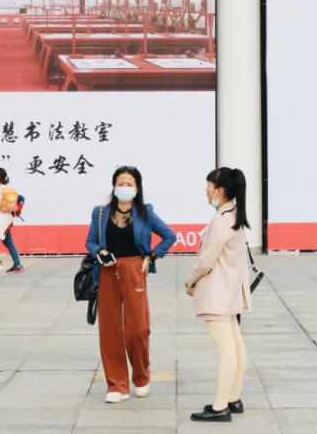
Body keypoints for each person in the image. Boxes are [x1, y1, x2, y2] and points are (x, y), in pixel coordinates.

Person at [84, 166, 177, 403]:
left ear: (137, 188)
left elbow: (169, 236)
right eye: (120, 183)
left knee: (138, 329)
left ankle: (141, 376)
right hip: (108, 270)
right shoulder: (100, 213)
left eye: (129, 184)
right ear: (113, 186)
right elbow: (90, 241)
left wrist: (151, 257)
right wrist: (100, 251)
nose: (124, 187)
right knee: (110, 330)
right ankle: (117, 385)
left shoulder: (145, 212)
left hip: (135, 269)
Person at [186, 168, 251, 423]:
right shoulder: (232, 213)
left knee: (227, 350)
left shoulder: (222, 220)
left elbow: (207, 259)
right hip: (229, 292)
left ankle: (220, 406)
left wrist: (190, 279)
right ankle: (233, 398)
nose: (206, 191)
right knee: (235, 345)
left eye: (209, 186)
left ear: (220, 191)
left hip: (218, 293)